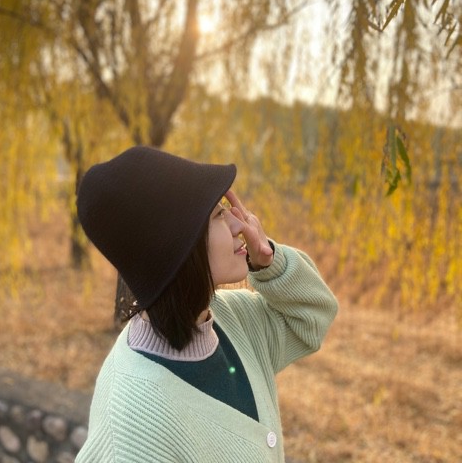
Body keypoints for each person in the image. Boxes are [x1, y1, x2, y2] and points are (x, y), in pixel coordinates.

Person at [75, 146, 338, 463]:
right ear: (179, 248)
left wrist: (269, 261)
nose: (240, 224)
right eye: (218, 215)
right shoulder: (132, 428)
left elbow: (312, 316)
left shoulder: (231, 318)